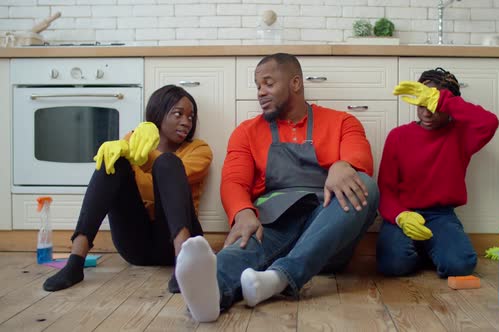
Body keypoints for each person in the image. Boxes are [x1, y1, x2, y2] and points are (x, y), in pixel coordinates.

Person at [175, 53, 379, 322]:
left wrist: (346, 164)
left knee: (364, 185)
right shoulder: (246, 131)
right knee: (244, 246)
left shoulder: (342, 122)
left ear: (295, 83)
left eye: (268, 83)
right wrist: (242, 213)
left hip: (327, 226)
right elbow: (234, 181)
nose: (261, 92)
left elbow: (360, 159)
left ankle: (280, 276)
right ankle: (209, 295)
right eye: (258, 86)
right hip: (274, 222)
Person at [42, 85, 213, 294]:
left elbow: (169, 181)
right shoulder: (134, 141)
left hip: (174, 241)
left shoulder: (199, 149)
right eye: (178, 114)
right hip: (135, 246)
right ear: (158, 115)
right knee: (112, 160)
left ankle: (184, 264)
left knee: (168, 162)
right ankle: (75, 261)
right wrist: (127, 149)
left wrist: (143, 153)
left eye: (190, 117)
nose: (186, 122)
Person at [377, 68, 499, 278]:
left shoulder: (461, 135)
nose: (427, 113)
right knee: (392, 265)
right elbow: (385, 190)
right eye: (422, 104)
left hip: (440, 215)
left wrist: (443, 101)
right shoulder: (398, 136)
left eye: (434, 106)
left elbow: (489, 122)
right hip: (403, 213)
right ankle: (427, 249)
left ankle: (430, 247)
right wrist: (400, 216)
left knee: (460, 266)